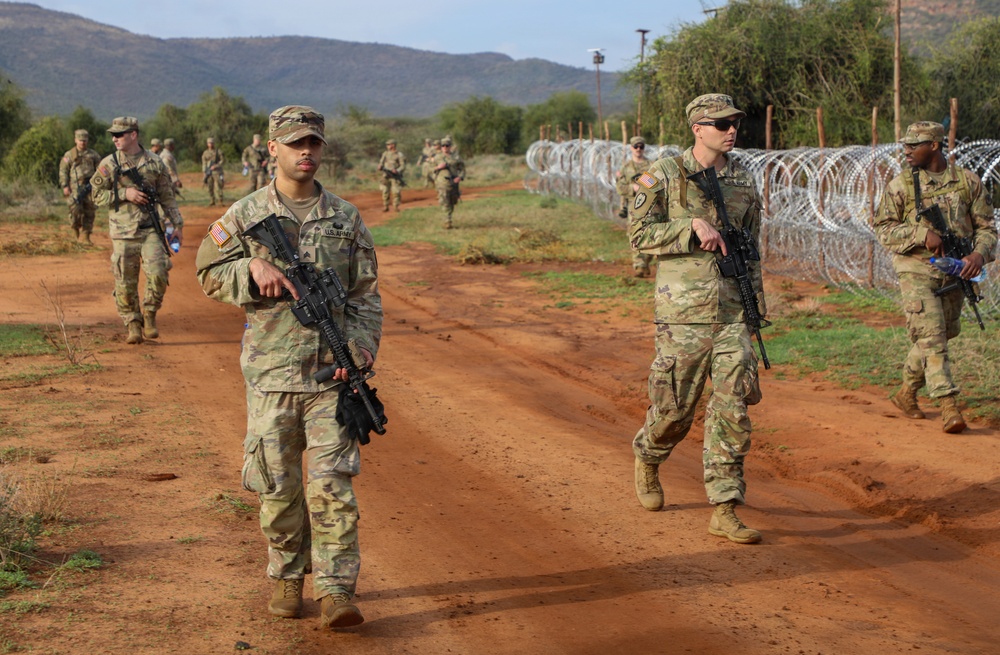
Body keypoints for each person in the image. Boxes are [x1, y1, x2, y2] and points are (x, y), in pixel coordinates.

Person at [195, 105, 382, 629]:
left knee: (333, 487)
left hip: (334, 377)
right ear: (272, 148)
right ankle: (286, 575)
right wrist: (250, 269)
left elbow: (366, 295)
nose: (306, 152)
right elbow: (208, 272)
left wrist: (362, 351)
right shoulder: (245, 214)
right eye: (296, 143)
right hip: (272, 376)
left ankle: (337, 590)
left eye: (314, 144)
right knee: (277, 487)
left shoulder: (344, 218)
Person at [629, 93, 766, 544]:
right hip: (683, 314)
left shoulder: (744, 181)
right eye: (722, 123)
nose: (732, 130)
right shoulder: (664, 175)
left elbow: (752, 252)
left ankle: (725, 506)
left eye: (735, 123)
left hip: (731, 312)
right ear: (697, 128)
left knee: (732, 408)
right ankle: (649, 456)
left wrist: (754, 313)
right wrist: (688, 227)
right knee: (675, 410)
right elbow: (638, 235)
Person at [874, 121, 997, 434]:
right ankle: (948, 404)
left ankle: (906, 393)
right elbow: (883, 228)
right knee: (933, 334)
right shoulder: (900, 185)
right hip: (916, 268)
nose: (907, 151)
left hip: (956, 269)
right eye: (905, 145)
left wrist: (978, 255)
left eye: (914, 145)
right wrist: (920, 233)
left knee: (942, 334)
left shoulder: (967, 181)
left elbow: (986, 228)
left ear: (935, 146)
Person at [90, 116, 184, 344]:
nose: (115, 138)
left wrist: (177, 224)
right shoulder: (109, 164)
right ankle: (132, 322)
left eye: (119, 134)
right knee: (125, 281)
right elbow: (95, 195)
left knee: (159, 271)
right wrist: (124, 194)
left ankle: (150, 314)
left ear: (133, 135)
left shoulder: (154, 162)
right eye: (112, 135)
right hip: (123, 233)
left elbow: (166, 196)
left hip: (151, 228)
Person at [616, 135, 655, 277]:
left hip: (651, 206)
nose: (638, 149)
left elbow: (656, 184)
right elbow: (620, 187)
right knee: (635, 235)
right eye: (636, 146)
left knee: (652, 235)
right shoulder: (626, 168)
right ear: (631, 148)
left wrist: (643, 186)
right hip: (634, 207)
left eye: (641, 146)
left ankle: (647, 260)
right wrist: (633, 188)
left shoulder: (651, 166)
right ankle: (640, 265)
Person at [58, 129, 102, 244]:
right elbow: (63, 170)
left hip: (91, 187)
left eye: (85, 140)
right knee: (75, 210)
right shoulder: (70, 155)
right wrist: (65, 185)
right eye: (80, 140)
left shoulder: (93, 155)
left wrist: (100, 184)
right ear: (75, 140)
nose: (82, 143)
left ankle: (86, 236)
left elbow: (101, 170)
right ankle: (75, 233)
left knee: (90, 211)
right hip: (75, 187)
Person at [431, 136, 464, 229]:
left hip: (453, 182)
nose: (445, 147)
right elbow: (430, 170)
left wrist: (460, 177)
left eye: (447, 145)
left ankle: (449, 216)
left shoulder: (456, 157)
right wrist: (438, 167)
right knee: (445, 200)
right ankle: (447, 221)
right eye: (443, 146)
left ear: (450, 146)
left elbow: (462, 169)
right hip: (441, 182)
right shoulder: (437, 158)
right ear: (441, 147)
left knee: (452, 201)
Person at [377, 139, 406, 212]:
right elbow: (381, 162)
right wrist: (380, 166)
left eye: (389, 144)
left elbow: (403, 166)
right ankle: (385, 206)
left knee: (396, 192)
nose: (388, 146)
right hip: (386, 175)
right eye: (387, 145)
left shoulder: (399, 154)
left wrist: (397, 170)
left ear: (393, 145)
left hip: (395, 176)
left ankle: (396, 206)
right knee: (385, 191)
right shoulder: (385, 153)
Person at [201, 137, 225, 206]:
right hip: (208, 172)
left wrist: (216, 166)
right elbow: (204, 162)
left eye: (212, 143)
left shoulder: (218, 151)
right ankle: (212, 200)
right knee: (209, 186)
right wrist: (204, 171)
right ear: (207, 144)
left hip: (217, 172)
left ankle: (220, 200)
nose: (210, 144)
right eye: (209, 143)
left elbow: (222, 160)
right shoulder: (205, 153)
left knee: (218, 186)